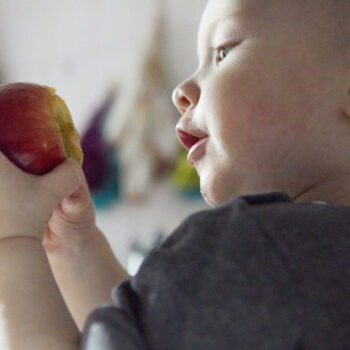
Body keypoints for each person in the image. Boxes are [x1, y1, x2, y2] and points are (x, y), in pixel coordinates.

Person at [1, 0, 350, 348]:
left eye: (223, 52)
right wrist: (75, 248)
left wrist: (13, 242)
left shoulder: (255, 245)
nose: (179, 93)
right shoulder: (314, 265)